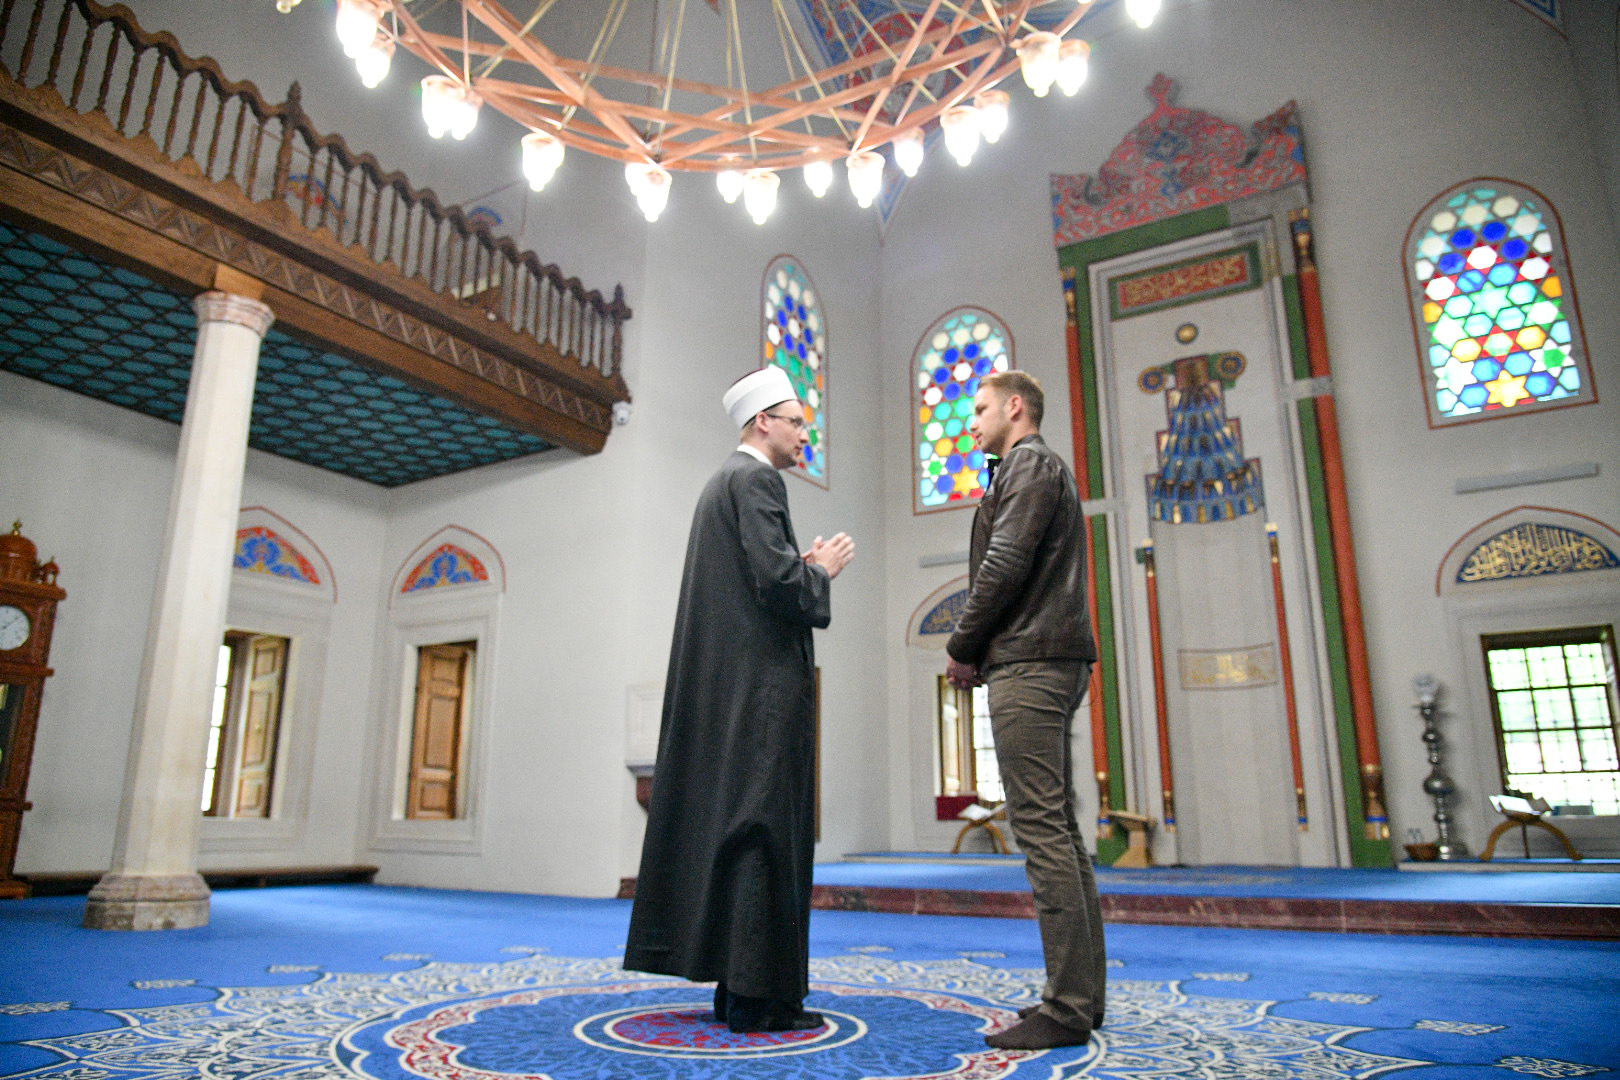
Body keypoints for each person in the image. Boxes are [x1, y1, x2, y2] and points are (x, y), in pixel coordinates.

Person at [624, 365, 856, 1034]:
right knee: (764, 830)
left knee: (741, 827)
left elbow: (757, 578)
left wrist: (797, 568)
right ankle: (761, 999)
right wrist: (819, 571)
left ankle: (738, 988)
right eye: (797, 423)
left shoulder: (721, 482)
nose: (804, 435)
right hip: (762, 692)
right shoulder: (756, 480)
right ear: (763, 423)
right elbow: (777, 585)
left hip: (734, 687)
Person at [944, 370, 1105, 1051]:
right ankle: (1081, 997)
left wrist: (962, 644)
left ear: (1016, 407)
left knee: (1041, 832)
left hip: (1031, 662)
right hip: (1048, 657)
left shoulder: (1028, 465)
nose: (973, 421)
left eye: (981, 408)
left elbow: (1004, 564)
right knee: (1058, 830)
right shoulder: (1032, 469)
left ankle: (1066, 1009)